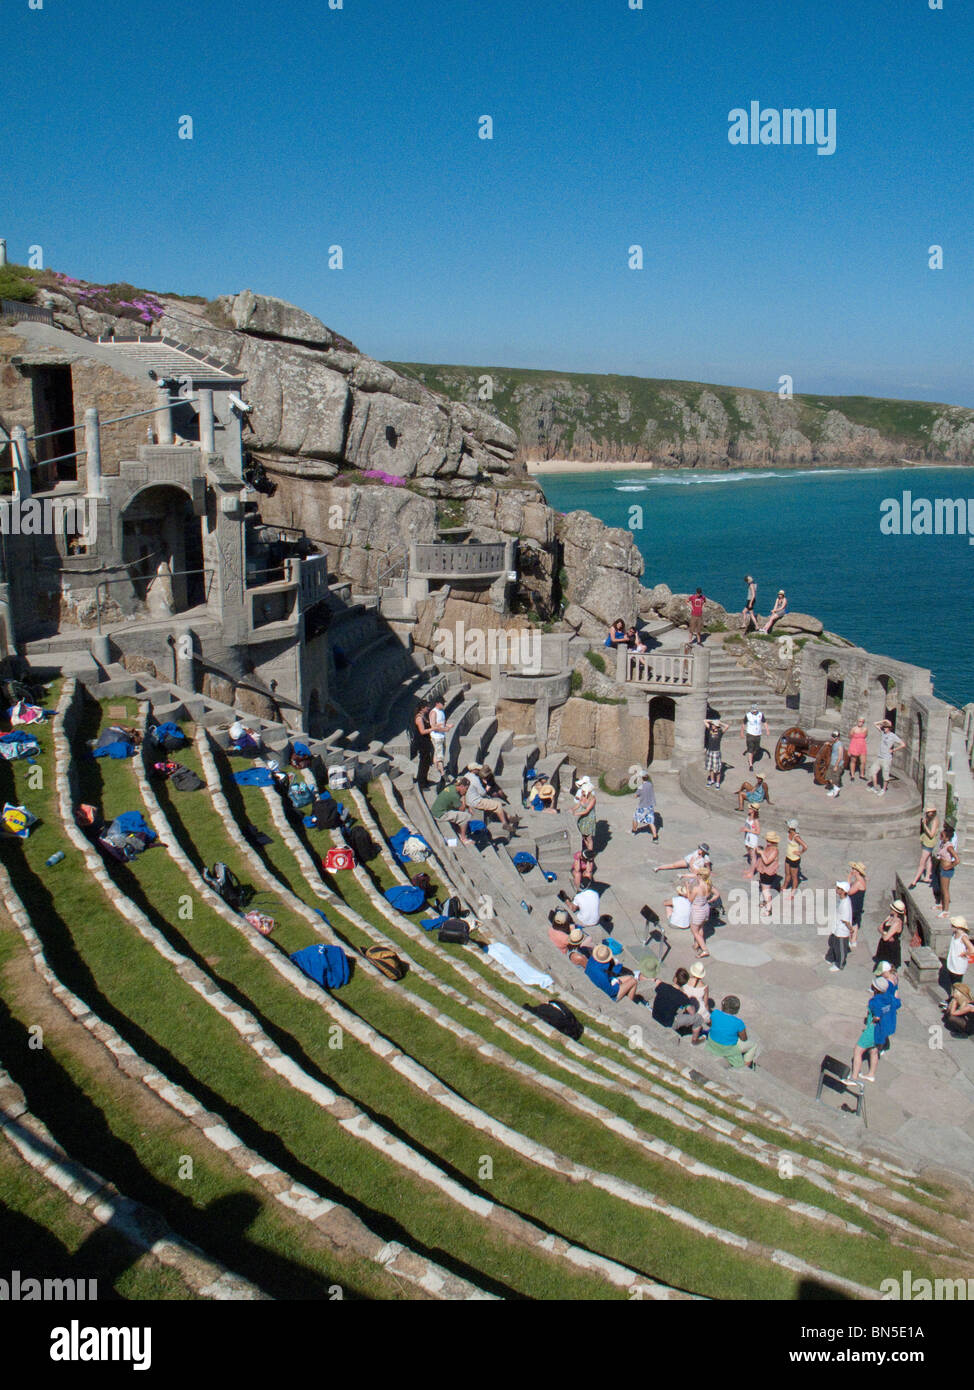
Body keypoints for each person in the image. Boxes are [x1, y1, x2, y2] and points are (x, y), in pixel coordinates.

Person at [705, 996, 758, 1068]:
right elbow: (744, 1039)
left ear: (722, 1005)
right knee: (753, 1045)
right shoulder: (739, 1023)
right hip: (728, 1049)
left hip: (712, 1043)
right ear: (737, 1010)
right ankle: (746, 1067)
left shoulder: (715, 1013)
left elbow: (711, 1025)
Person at [464, 765, 517, 835]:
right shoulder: (476, 780)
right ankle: (505, 823)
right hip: (476, 800)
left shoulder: (467, 775)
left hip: (472, 798)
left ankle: (509, 818)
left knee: (495, 804)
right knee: (497, 804)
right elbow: (482, 793)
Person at [430, 777, 473, 845]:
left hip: (436, 810)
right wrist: (464, 796)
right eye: (466, 788)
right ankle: (463, 838)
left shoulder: (451, 787)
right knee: (466, 816)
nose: (466, 791)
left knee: (457, 812)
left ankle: (459, 829)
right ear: (461, 786)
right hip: (440, 815)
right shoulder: (454, 795)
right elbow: (462, 809)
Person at [868, 719, 905, 795]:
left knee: (885, 776)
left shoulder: (893, 736)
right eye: (883, 727)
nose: (883, 728)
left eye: (885, 727)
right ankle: (875, 787)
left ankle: (883, 790)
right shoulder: (882, 733)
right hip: (879, 757)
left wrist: (893, 750)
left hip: (886, 759)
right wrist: (884, 720)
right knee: (872, 771)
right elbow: (875, 723)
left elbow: (903, 744)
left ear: (889, 728)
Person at [908, 807, 940, 888]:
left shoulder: (934, 821)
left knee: (922, 862)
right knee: (928, 859)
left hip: (929, 843)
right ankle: (927, 877)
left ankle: (914, 881)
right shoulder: (930, 818)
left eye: (928, 812)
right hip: (926, 841)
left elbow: (931, 834)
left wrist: (924, 825)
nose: (927, 814)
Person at [825, 881, 853, 971]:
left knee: (840, 948)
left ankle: (839, 964)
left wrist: (851, 930)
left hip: (842, 930)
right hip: (836, 927)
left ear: (843, 891)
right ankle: (830, 958)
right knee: (833, 943)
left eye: (838, 888)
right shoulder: (841, 899)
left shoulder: (845, 904)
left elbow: (846, 920)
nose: (836, 889)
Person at [934, 828, 959, 918]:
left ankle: (946, 911)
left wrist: (948, 867)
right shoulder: (944, 844)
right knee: (942, 888)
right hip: (943, 868)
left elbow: (957, 860)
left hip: (946, 870)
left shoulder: (949, 846)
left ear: (947, 838)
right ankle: (941, 904)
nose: (940, 836)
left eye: (942, 835)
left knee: (945, 890)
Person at [873, 898, 904, 970]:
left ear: (895, 911)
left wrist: (884, 934)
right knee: (880, 968)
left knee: (888, 969)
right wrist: (884, 933)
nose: (890, 909)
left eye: (892, 908)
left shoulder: (897, 923)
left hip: (891, 948)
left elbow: (885, 938)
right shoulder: (890, 916)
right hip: (884, 945)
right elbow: (879, 927)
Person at [945, 917, 973, 990]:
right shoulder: (954, 934)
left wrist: (964, 953)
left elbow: (972, 949)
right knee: (953, 983)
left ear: (957, 927)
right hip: (953, 962)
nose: (951, 927)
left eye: (953, 926)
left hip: (958, 964)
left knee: (957, 985)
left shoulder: (963, 937)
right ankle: (953, 997)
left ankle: (958, 999)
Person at [756, 831, 780, 915]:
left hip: (768, 873)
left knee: (766, 891)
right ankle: (765, 902)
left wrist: (762, 853)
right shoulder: (768, 847)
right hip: (764, 871)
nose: (767, 842)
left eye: (769, 840)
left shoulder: (775, 850)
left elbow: (767, 861)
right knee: (764, 889)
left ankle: (769, 909)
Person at [428, 698, 452, 780]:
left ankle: (436, 768)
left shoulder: (441, 711)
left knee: (437, 753)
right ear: (437, 703)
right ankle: (442, 774)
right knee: (440, 756)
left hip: (442, 736)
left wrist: (447, 726)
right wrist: (445, 729)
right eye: (442, 703)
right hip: (436, 737)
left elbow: (442, 723)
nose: (444, 704)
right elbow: (433, 727)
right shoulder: (433, 712)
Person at [413, 702, 434, 791]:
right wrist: (433, 729)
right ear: (422, 708)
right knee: (424, 762)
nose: (428, 708)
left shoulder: (423, 717)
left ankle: (423, 779)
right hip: (422, 742)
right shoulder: (419, 718)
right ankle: (421, 783)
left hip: (426, 741)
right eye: (427, 707)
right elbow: (422, 731)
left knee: (427, 761)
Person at [573, 776, 597, 853]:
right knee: (583, 836)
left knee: (588, 837)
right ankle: (586, 850)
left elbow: (587, 810)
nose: (582, 792)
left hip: (588, 818)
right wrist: (572, 809)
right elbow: (579, 804)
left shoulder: (592, 799)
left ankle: (590, 853)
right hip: (582, 817)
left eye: (583, 791)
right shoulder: (583, 796)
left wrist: (576, 813)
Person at [741, 704, 768, 772]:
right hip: (750, 734)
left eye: (755, 711)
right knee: (750, 749)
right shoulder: (748, 715)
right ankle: (751, 764)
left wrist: (767, 730)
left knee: (756, 749)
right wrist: (742, 732)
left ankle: (753, 754)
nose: (754, 712)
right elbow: (744, 724)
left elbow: (764, 722)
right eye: (753, 711)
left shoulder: (761, 714)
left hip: (758, 734)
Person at [783, 824, 808, 897]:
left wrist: (800, 852)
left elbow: (805, 846)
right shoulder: (788, 833)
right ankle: (784, 886)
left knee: (794, 877)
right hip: (788, 856)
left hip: (794, 859)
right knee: (787, 873)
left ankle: (793, 893)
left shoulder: (796, 837)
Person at [847, 861, 868, 950]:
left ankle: (849, 938)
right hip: (858, 905)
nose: (852, 870)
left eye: (854, 869)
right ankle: (854, 940)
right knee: (855, 923)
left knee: (849, 922)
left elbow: (849, 891)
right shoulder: (861, 880)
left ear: (857, 871)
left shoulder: (858, 882)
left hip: (854, 906)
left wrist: (848, 878)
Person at [632, 773, 659, 839]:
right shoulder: (650, 784)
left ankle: (634, 831)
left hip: (642, 806)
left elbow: (635, 796)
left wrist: (636, 793)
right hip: (650, 806)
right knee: (650, 822)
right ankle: (655, 837)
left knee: (635, 818)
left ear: (641, 778)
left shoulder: (641, 786)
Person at [704, 717, 729, 788]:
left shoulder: (720, 732)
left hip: (716, 752)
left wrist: (720, 723)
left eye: (713, 725)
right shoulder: (710, 729)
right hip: (710, 751)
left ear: (716, 726)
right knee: (710, 768)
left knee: (717, 770)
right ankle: (712, 780)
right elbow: (704, 721)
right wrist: (712, 720)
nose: (712, 725)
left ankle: (717, 782)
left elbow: (727, 726)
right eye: (712, 724)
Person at [847, 716, 869, 781]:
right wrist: (850, 749)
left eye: (862, 722)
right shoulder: (854, 729)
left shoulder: (865, 729)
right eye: (860, 721)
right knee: (853, 760)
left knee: (863, 761)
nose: (861, 723)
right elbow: (850, 736)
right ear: (857, 721)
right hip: (854, 745)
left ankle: (862, 775)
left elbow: (865, 736)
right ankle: (852, 775)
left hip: (862, 746)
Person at [824, 729, 845, 798]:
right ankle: (834, 789)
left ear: (838, 737)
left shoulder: (840, 745)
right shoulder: (834, 743)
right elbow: (832, 745)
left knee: (834, 778)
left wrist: (836, 766)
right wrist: (829, 744)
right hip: (832, 763)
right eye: (832, 736)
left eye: (834, 737)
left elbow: (840, 756)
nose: (832, 738)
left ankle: (835, 789)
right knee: (828, 776)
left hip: (837, 764)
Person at [742, 807, 761, 879]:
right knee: (750, 854)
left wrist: (748, 830)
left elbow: (758, 831)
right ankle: (750, 870)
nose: (748, 809)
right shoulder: (749, 817)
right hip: (748, 837)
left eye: (750, 808)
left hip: (753, 839)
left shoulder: (755, 820)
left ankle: (752, 872)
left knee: (753, 856)